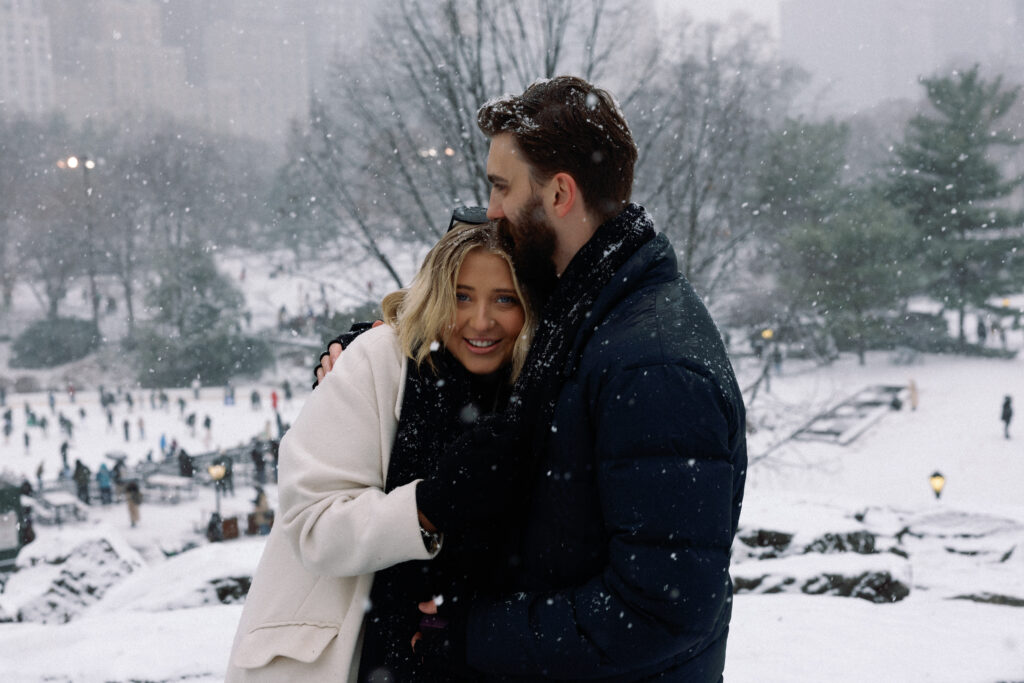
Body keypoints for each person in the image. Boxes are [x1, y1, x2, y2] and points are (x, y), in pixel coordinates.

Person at [315, 76, 746, 681]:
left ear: (561, 193)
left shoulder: (652, 365)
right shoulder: (587, 307)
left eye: (501, 187)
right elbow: (485, 320)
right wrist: (390, 342)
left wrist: (468, 634)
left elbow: (660, 611)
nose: (490, 209)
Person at [226, 220, 535, 682]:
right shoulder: (379, 362)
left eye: (505, 299)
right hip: (352, 655)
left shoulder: (535, 389)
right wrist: (426, 508)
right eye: (462, 295)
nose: (481, 320)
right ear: (434, 295)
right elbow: (312, 525)